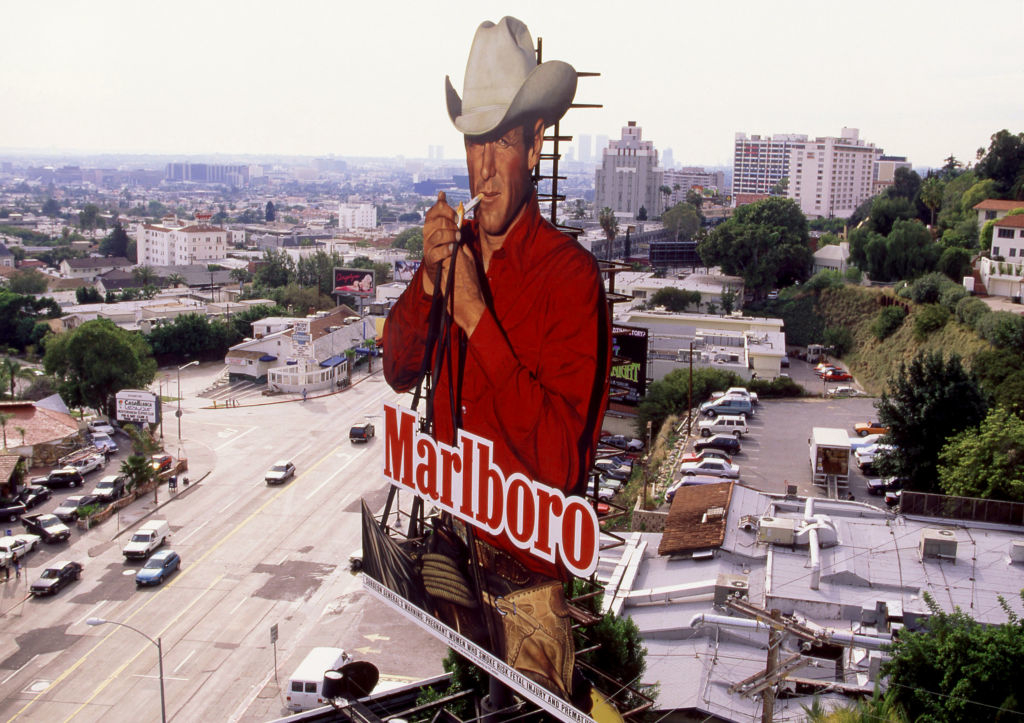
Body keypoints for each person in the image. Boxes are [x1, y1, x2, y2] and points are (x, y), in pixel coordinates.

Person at [382, 16, 610, 707]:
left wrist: (477, 316)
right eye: (474, 143)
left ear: (535, 145)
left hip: (531, 573)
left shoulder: (569, 278)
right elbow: (396, 367)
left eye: (500, 143)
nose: (483, 169)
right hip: (461, 548)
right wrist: (428, 280)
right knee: (483, 701)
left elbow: (559, 462)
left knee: (531, 709)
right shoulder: (456, 255)